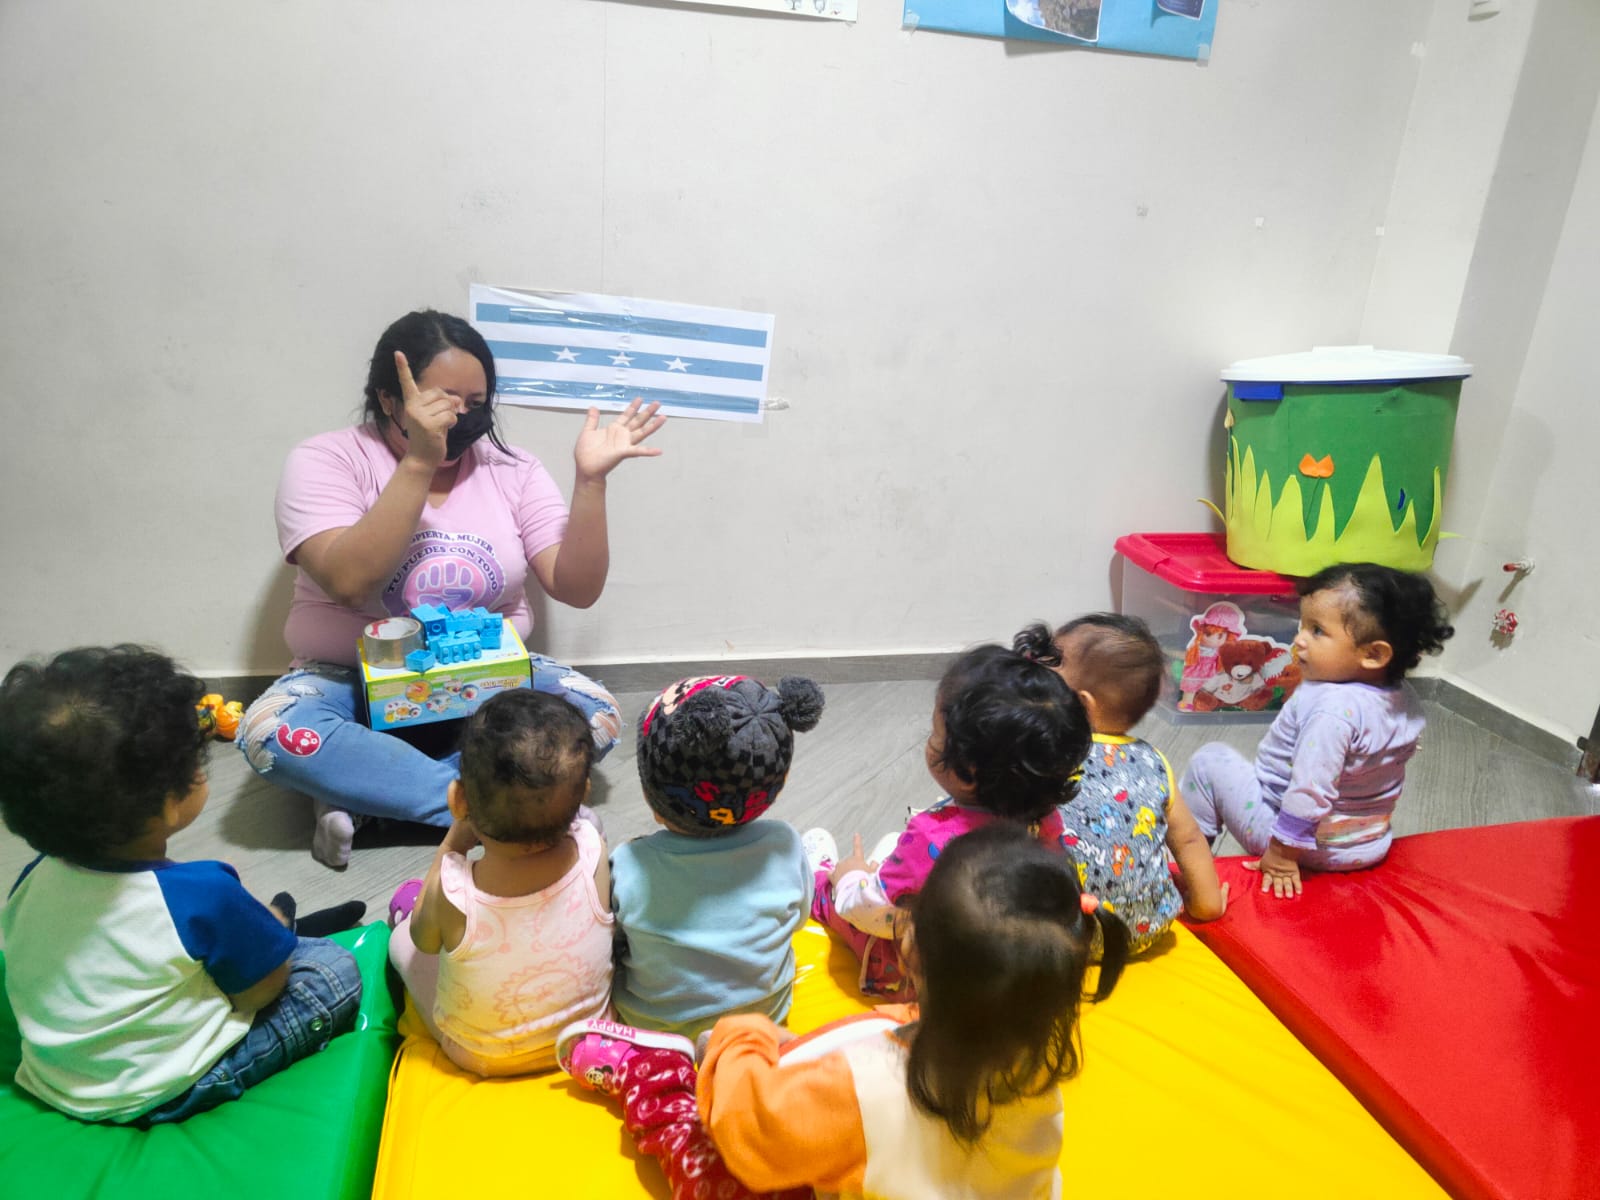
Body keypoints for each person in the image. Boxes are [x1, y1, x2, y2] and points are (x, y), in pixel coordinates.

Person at [239, 309, 665, 867]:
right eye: (443, 400)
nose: (462, 416)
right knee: (272, 731)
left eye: (477, 402)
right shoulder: (326, 460)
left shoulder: (513, 469)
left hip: (487, 679)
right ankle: (519, 809)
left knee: (596, 712)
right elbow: (348, 581)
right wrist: (420, 460)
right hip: (347, 682)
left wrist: (591, 481)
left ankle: (370, 797)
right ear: (390, 398)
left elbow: (576, 587)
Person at [0, 646, 363, 1124]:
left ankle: (268, 931)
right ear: (170, 803)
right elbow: (260, 992)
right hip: (164, 1089)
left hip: (59, 1081)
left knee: (210, 945)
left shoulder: (30, 879)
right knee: (333, 971)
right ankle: (278, 929)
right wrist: (265, 953)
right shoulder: (201, 894)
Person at [695, 823, 1131, 1198]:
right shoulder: (1035, 1063)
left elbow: (747, 1132)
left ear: (910, 949)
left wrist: (739, 1037)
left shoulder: (859, 1090)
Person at [550, 674, 824, 1200]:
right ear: (774, 786)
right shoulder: (786, 845)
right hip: (763, 1024)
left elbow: (612, 946)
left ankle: (637, 1063)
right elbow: (798, 921)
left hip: (658, 1027)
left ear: (653, 795)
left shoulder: (631, 864)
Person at [805, 643, 1090, 996]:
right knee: (895, 845)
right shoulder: (1046, 818)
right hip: (1001, 969)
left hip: (928, 975)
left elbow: (875, 914)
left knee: (845, 898)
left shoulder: (931, 836)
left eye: (935, 734)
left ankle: (818, 877)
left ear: (968, 772)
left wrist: (849, 879)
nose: (930, 741)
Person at [1179, 563, 1455, 899]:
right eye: (1304, 625)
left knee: (1210, 761)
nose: (1299, 639)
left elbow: (1310, 791)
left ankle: (1186, 860)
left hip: (1302, 846)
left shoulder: (1332, 710)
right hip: (1368, 843)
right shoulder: (1403, 696)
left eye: (1317, 631)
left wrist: (1282, 856)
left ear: (1373, 654)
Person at [386, 689, 612, 1076]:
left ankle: (408, 910)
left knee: (402, 942)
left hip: (483, 1055)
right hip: (584, 1038)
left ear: (457, 800)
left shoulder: (453, 890)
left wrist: (452, 846)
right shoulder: (594, 849)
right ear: (583, 795)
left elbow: (424, 942)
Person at [1015, 616, 1226, 952]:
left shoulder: (1045, 754)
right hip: (1144, 931)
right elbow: (1188, 839)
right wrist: (1206, 905)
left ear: (1083, 704)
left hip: (1056, 939)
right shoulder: (1153, 761)